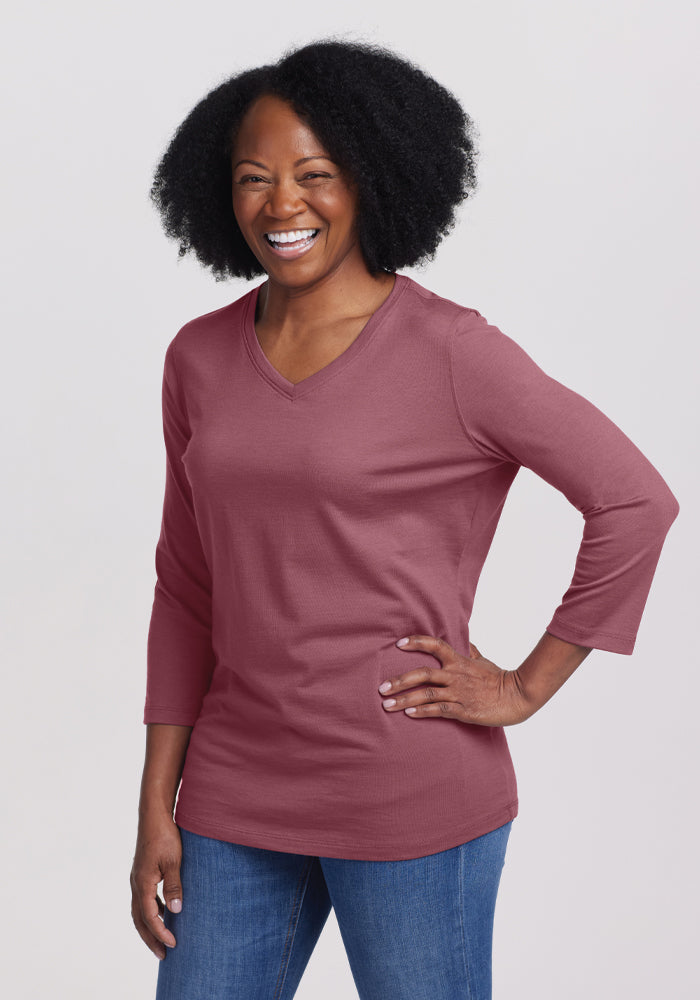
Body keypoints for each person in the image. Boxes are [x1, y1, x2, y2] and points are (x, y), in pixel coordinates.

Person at [129, 38, 679, 1000]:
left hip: (410, 793)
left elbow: (635, 501)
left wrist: (524, 686)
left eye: (315, 174)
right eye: (253, 178)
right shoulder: (198, 358)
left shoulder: (454, 353)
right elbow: (187, 586)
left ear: (372, 178)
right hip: (234, 792)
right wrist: (154, 802)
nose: (281, 204)